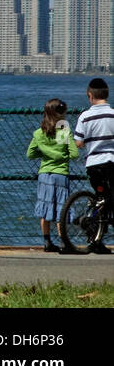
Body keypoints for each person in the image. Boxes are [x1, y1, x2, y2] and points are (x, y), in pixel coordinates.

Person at [26, 98, 77, 253]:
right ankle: (64, 242)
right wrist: (61, 156)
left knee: (45, 206)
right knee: (61, 208)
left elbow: (30, 154)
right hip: (60, 173)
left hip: (44, 174)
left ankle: (47, 242)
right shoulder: (63, 130)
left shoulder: (39, 133)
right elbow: (73, 154)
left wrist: (46, 153)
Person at [72, 77, 113, 254]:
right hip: (111, 163)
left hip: (93, 164)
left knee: (100, 198)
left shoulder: (85, 116)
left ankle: (94, 236)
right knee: (109, 200)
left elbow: (78, 143)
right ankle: (99, 236)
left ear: (90, 96)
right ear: (107, 94)